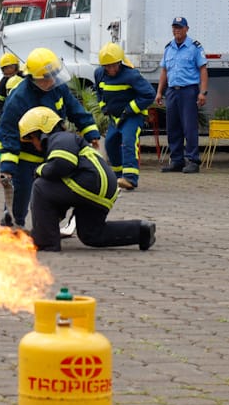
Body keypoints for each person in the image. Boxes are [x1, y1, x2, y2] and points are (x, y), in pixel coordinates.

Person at [18, 106, 156, 252]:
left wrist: (39, 170)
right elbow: (61, 188)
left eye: (31, 138)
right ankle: (142, 231)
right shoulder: (65, 140)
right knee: (91, 234)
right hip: (102, 189)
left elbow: (62, 165)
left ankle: (45, 241)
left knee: (40, 186)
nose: (33, 144)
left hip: (90, 183)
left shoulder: (60, 138)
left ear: (42, 131)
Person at [0, 47, 100, 228]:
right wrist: (7, 168)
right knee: (20, 194)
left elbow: (75, 109)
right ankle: (13, 225)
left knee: (58, 192)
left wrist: (91, 132)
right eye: (46, 78)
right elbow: (8, 133)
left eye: (54, 75)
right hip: (25, 156)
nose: (51, 80)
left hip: (53, 152)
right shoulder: (19, 99)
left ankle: (49, 225)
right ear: (32, 78)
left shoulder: (58, 88)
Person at [95, 42, 155, 190]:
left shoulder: (131, 75)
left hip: (132, 117)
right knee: (110, 143)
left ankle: (130, 179)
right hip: (115, 117)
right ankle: (117, 177)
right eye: (107, 66)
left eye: (114, 65)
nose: (111, 69)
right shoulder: (99, 74)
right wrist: (104, 107)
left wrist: (130, 109)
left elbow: (149, 94)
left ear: (120, 62)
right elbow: (99, 92)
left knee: (129, 142)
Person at [155, 16, 208, 174]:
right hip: (172, 91)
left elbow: (203, 70)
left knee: (189, 127)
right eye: (174, 27)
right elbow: (164, 71)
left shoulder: (194, 47)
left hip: (188, 91)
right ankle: (177, 160)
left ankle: (193, 160)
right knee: (173, 127)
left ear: (186, 29)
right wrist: (159, 92)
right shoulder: (168, 48)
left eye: (180, 27)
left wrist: (202, 92)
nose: (177, 30)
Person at [0, 52, 24, 117]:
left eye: (11, 67)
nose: (9, 70)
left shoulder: (24, 77)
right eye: (6, 68)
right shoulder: (2, 83)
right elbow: (0, 104)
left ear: (16, 67)